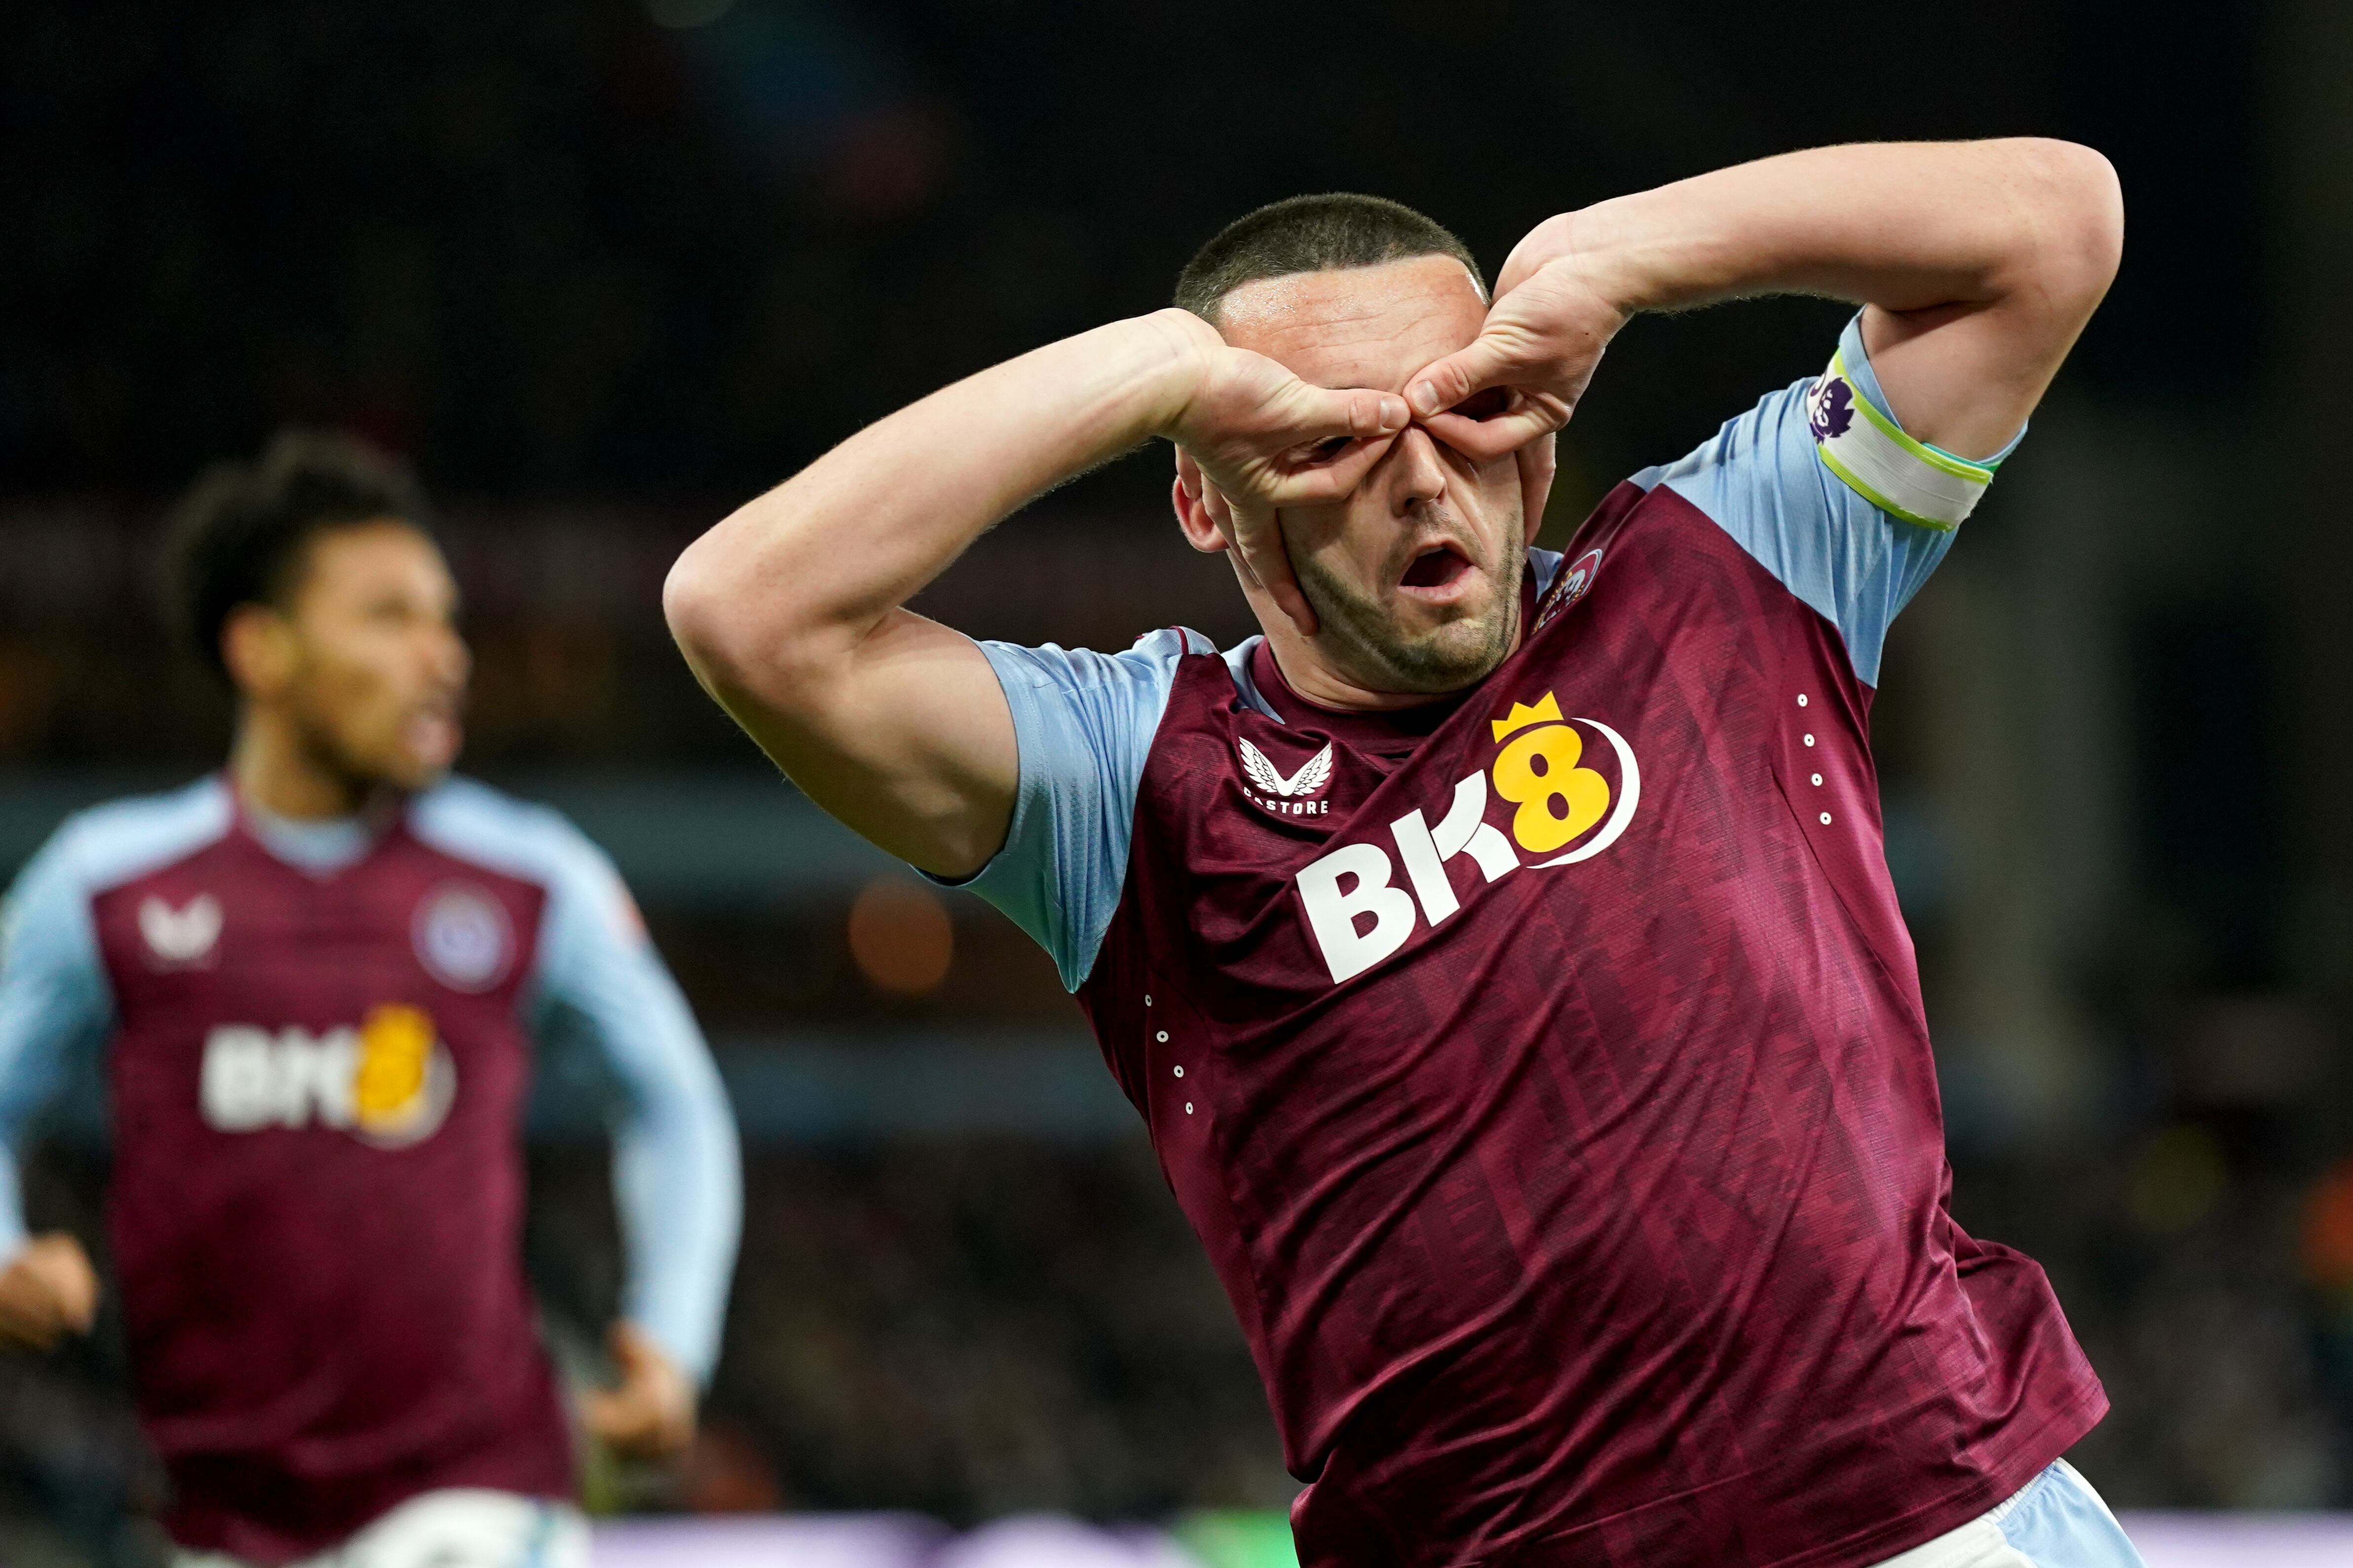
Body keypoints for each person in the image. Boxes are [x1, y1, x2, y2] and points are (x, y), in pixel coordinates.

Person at [663, 140, 2135, 1567]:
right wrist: (1161, 373)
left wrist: (1617, 256)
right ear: (1203, 500)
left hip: (1948, 1526)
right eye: (1329, 443)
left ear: (1541, 427)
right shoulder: (1130, 784)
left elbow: (2058, 224)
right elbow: (748, 614)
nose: (1424, 482)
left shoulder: (1734, 564)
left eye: (1470, 411)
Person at [0, 433, 743, 1568]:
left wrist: (673, 1333)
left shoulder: (534, 879)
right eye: (390, 617)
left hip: (476, 1493)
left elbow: (673, 1099)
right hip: (215, 1516)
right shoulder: (104, 885)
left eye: (445, 619)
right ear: (263, 648)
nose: (443, 655)